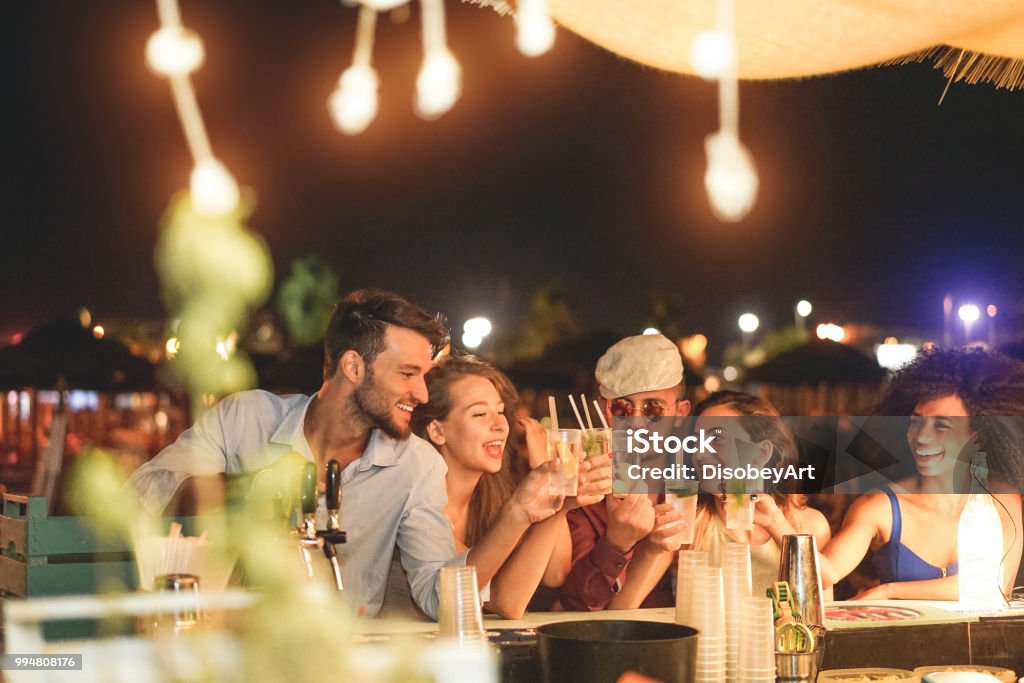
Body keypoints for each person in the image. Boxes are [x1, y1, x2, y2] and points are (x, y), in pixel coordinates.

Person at [129, 289, 521, 620]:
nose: (421, 393)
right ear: (353, 365)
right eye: (407, 374)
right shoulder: (245, 420)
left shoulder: (416, 465)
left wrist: (519, 514)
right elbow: (143, 493)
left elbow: (440, 599)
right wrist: (240, 492)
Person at [410, 356, 611, 618]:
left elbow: (554, 573)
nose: (499, 424)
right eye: (480, 414)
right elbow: (506, 602)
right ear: (437, 431)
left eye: (501, 411)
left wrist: (560, 502)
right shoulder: (418, 506)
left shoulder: (494, 496)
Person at [817, 347, 1024, 600]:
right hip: (901, 640)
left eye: (941, 425)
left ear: (978, 438)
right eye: (916, 421)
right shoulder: (880, 506)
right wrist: (780, 521)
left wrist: (890, 592)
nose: (921, 436)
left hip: (983, 641)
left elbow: (995, 587)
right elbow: (827, 572)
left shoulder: (1002, 500)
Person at [558, 333, 691, 611]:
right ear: (608, 412)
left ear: (680, 413)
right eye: (622, 407)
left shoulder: (698, 480)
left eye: (654, 408)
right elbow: (577, 607)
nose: (637, 423)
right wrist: (615, 544)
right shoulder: (585, 489)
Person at [691, 391, 832, 594]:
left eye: (717, 439)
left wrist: (774, 522)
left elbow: (821, 600)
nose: (699, 453)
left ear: (762, 453)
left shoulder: (809, 525)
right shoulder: (689, 525)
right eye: (696, 442)